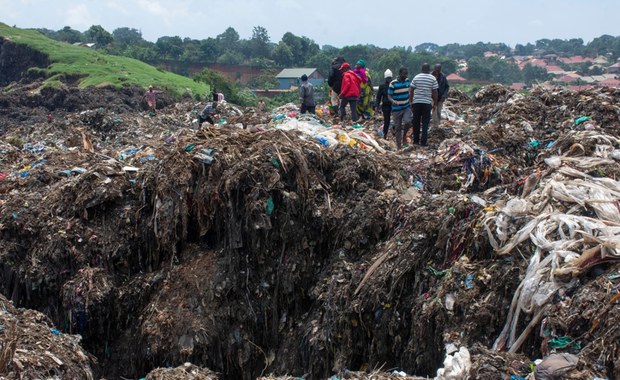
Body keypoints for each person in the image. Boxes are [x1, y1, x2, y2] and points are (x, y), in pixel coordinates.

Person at [409, 63, 438, 147]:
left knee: (416, 122)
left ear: (421, 69)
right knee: (425, 123)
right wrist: (435, 104)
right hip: (427, 103)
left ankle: (416, 141)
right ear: (429, 69)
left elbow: (412, 90)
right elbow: (435, 92)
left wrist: (411, 101)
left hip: (417, 103)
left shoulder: (416, 77)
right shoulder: (432, 78)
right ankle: (423, 142)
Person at [387, 67, 412, 150]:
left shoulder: (407, 81)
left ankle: (404, 136)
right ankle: (399, 145)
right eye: (404, 74)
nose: (405, 75)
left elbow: (410, 91)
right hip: (396, 109)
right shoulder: (393, 83)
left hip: (406, 106)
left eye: (406, 74)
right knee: (397, 127)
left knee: (408, 122)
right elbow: (389, 95)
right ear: (400, 74)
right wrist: (392, 101)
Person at [375, 69, 393, 139]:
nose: (389, 79)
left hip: (393, 105)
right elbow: (378, 97)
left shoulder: (394, 85)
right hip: (385, 106)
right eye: (388, 78)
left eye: (390, 78)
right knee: (387, 120)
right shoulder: (382, 86)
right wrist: (377, 105)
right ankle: (385, 134)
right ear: (385, 78)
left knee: (396, 120)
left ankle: (394, 133)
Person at [431, 64, 450, 129]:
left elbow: (446, 87)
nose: (437, 71)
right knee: (434, 111)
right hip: (432, 98)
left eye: (438, 70)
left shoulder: (443, 76)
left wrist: (444, 96)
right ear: (434, 69)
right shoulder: (430, 76)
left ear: (440, 70)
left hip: (440, 97)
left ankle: (438, 124)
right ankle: (435, 125)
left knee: (439, 111)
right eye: (436, 70)